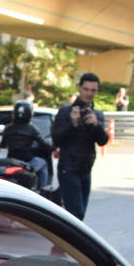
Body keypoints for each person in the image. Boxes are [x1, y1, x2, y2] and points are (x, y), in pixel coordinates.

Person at [51, 72, 109, 220]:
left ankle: (61, 242)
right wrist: (73, 124)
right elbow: (56, 139)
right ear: (79, 88)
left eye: (93, 90)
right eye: (86, 89)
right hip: (68, 168)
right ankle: (63, 242)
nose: (89, 93)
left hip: (86, 170)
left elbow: (103, 141)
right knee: (76, 215)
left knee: (78, 217)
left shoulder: (97, 114)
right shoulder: (66, 111)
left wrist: (96, 125)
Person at [0, 99, 52, 190]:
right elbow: (44, 144)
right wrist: (51, 146)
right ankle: (43, 189)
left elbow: (2, 145)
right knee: (43, 163)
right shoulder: (32, 128)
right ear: (30, 114)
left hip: (11, 161)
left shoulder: (8, 128)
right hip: (27, 161)